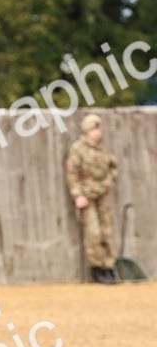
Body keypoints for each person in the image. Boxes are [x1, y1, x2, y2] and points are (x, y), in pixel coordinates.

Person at [65, 114, 118, 284]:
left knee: (106, 232)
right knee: (93, 233)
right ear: (87, 130)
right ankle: (97, 269)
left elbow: (113, 168)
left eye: (99, 129)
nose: (97, 132)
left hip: (102, 195)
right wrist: (78, 195)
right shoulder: (78, 149)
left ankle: (109, 267)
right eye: (94, 129)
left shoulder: (103, 149)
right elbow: (72, 173)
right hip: (87, 196)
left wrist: (108, 181)